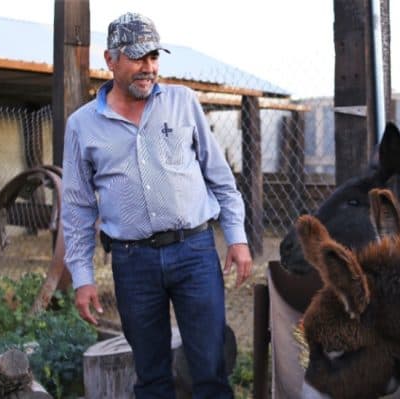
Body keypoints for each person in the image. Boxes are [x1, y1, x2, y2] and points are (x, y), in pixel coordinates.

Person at [61, 12, 253, 398]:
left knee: (211, 372)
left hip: (194, 253)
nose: (148, 68)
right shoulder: (82, 125)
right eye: (137, 58)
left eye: (153, 57)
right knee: (150, 378)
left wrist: (237, 237)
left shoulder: (182, 102)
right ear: (110, 60)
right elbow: (78, 208)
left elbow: (220, 178)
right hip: (133, 263)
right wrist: (82, 277)